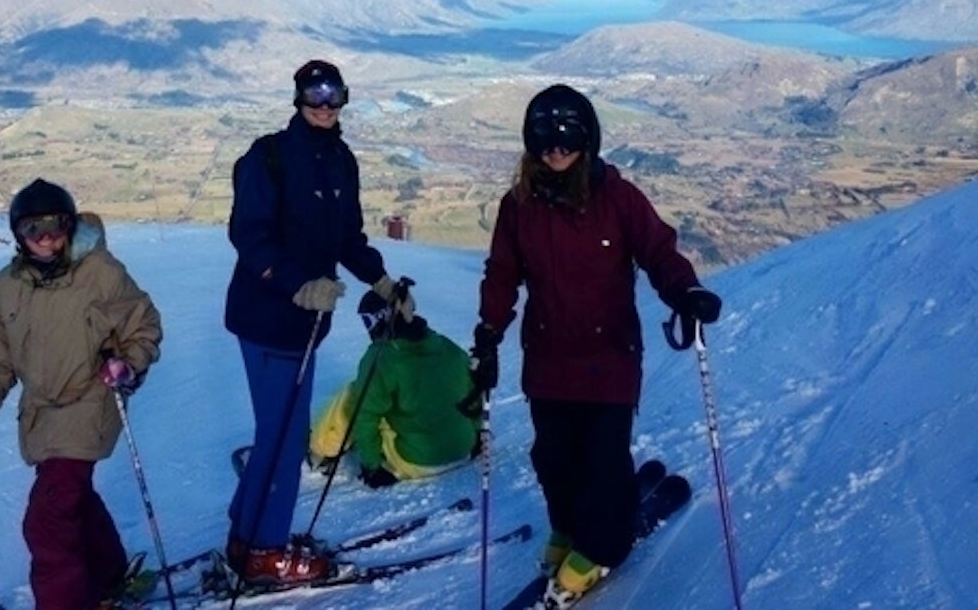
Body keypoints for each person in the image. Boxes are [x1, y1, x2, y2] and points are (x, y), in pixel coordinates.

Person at [472, 84, 721, 599]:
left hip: (610, 358)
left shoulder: (619, 199)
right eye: (544, 137)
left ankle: (602, 546)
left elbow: (659, 251)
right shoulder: (518, 206)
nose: (556, 148)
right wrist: (489, 333)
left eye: (568, 137)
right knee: (554, 457)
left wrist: (686, 291)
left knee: (604, 462)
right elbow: (501, 274)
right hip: (548, 356)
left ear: (589, 139)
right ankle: (567, 525)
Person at [223, 59, 415, 585]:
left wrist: (382, 282)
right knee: (286, 440)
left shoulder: (340, 161)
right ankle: (264, 551)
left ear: (344, 99)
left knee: (277, 434)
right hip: (267, 320)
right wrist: (297, 284)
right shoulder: (268, 158)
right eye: (314, 95)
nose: (324, 106)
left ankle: (246, 533)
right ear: (298, 99)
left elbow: (348, 238)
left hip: (309, 326)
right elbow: (248, 234)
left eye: (333, 96)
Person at [0, 178, 163, 610]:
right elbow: (2, 356)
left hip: (91, 402)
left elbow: (144, 327)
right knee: (73, 500)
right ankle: (106, 576)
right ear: (17, 234)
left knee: (46, 521)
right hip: (40, 415)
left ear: (69, 225)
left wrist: (127, 364)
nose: (46, 238)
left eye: (54, 225)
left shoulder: (99, 273)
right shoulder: (4, 289)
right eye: (33, 229)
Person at [310, 290, 481, 488]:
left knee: (355, 394)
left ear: (381, 318)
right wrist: (477, 434)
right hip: (463, 449)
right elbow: (475, 395)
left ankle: (323, 449)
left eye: (367, 321)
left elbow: (365, 415)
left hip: (416, 462)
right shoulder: (447, 346)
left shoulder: (382, 358)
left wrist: (372, 466)